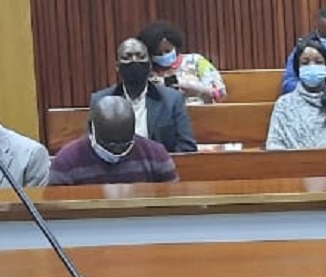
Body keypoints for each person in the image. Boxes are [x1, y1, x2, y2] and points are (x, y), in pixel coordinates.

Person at [91, 38, 197, 153]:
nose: (134, 61)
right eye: (127, 57)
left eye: (140, 56)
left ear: (150, 64)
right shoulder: (101, 100)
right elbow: (93, 146)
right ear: (117, 66)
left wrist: (162, 161)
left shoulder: (172, 100)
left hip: (159, 162)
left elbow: (187, 146)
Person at [49, 95, 179, 186]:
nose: (116, 151)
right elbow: (56, 209)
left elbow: (172, 203)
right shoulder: (66, 162)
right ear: (91, 128)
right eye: (109, 144)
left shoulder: (156, 155)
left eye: (124, 144)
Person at [138, 20, 226, 104]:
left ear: (175, 46)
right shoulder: (147, 71)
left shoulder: (196, 61)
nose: (164, 55)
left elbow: (220, 94)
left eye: (168, 51)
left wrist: (187, 85)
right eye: (158, 53)